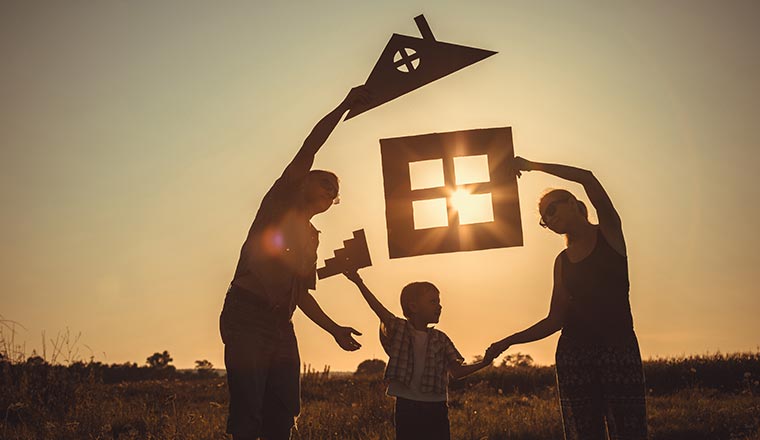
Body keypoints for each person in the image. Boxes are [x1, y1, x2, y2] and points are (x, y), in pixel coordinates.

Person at [219, 86, 371, 440]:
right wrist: (345, 105)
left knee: (284, 414)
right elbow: (310, 147)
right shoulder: (278, 206)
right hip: (247, 316)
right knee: (248, 415)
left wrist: (334, 329)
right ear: (301, 182)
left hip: (280, 326)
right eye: (324, 182)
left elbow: (299, 293)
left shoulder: (312, 237)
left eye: (335, 190)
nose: (331, 189)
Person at [487, 156, 647, 440]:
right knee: (584, 433)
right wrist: (510, 339)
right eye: (544, 218)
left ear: (573, 203)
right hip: (575, 355)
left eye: (551, 208)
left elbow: (587, 176)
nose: (549, 218)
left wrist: (532, 166)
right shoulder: (562, 262)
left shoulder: (609, 232)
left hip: (618, 348)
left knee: (629, 429)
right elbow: (555, 320)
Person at [344, 269, 493, 440]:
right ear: (413, 306)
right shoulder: (399, 329)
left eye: (439, 302)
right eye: (433, 301)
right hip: (408, 405)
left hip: (436, 407)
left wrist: (485, 362)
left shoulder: (441, 339)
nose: (439, 306)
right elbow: (378, 308)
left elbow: (457, 372)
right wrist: (358, 282)